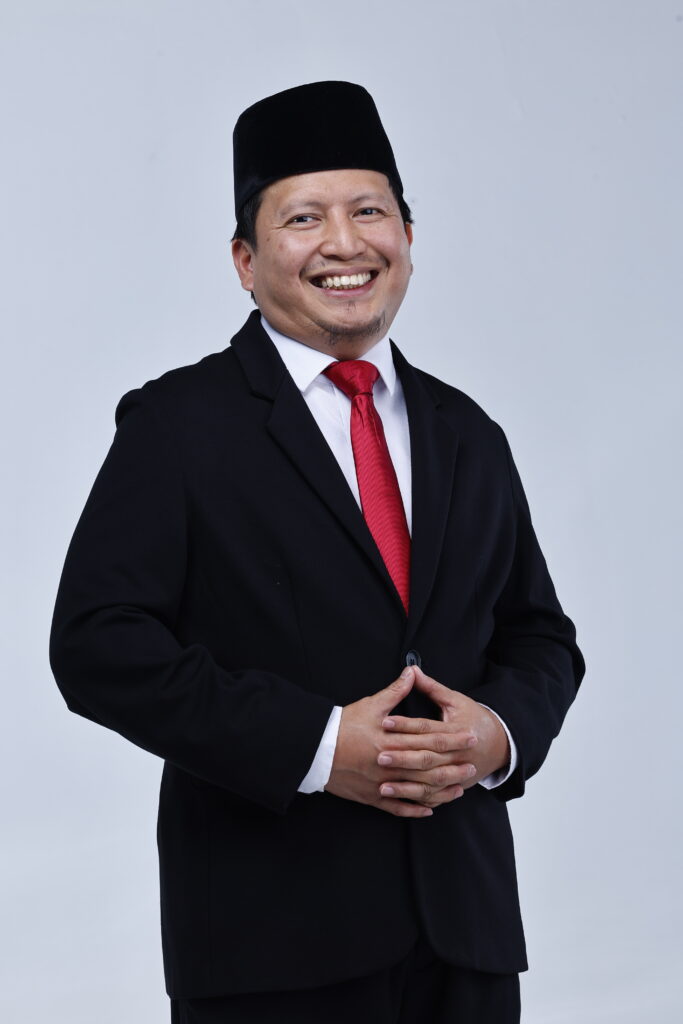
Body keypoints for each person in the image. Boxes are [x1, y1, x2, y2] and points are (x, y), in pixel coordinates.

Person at [49, 81, 585, 1023]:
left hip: (463, 935)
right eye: (303, 218)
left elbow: (539, 637)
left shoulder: (467, 432)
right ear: (245, 260)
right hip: (267, 942)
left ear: (407, 237)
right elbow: (98, 646)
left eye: (369, 211)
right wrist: (319, 746)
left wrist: (496, 735)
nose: (344, 243)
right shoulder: (178, 425)